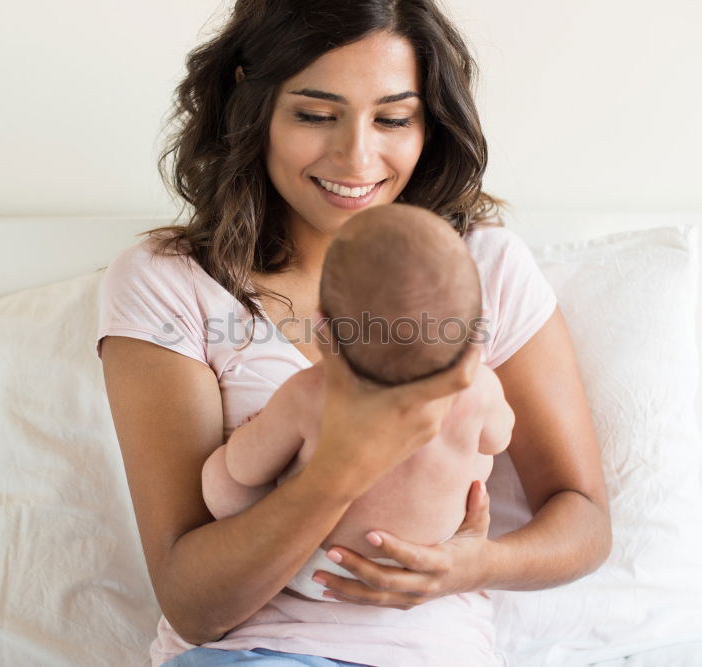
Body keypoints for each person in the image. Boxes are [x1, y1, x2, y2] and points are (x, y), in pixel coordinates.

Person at [96, 0, 611, 664]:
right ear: (250, 104)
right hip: (253, 651)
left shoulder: (480, 266)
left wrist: (472, 564)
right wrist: (342, 463)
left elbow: (584, 518)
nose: (356, 157)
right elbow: (194, 604)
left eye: (393, 118)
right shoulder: (170, 284)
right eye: (315, 115)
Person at [200, 204, 515, 603]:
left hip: (319, 565)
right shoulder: (480, 387)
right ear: (479, 323)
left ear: (324, 328)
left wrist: (254, 429)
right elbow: (499, 439)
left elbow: (245, 470)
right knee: (476, 453)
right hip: (427, 557)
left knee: (223, 477)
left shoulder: (309, 392)